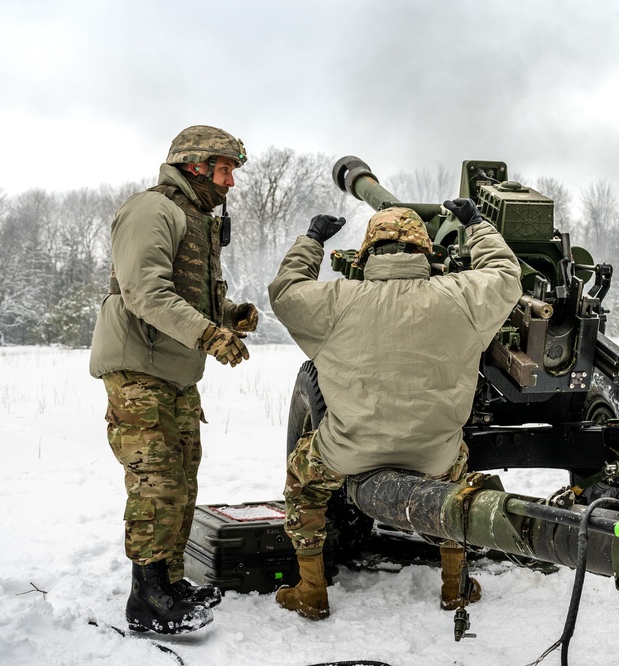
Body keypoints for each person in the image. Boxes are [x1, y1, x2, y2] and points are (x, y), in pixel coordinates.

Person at [268, 200, 521, 619]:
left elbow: (286, 291)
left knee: (303, 477)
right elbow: (505, 273)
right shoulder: (460, 296)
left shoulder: (337, 300)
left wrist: (311, 241)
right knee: (455, 479)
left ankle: (311, 590)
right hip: (434, 455)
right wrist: (477, 224)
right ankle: (454, 587)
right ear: (426, 252)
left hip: (349, 451)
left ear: (366, 254)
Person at [89, 125, 257, 634]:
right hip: (140, 368)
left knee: (182, 481)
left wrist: (228, 313)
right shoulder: (152, 209)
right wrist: (209, 334)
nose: (230, 182)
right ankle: (147, 601)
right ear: (196, 165)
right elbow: (142, 291)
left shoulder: (196, 219)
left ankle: (170, 582)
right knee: (155, 483)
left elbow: (187, 295)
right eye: (224, 169)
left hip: (174, 371)